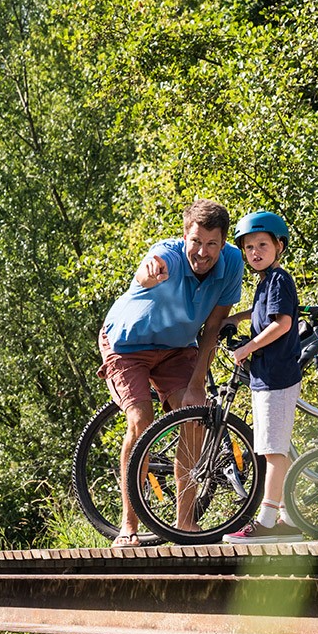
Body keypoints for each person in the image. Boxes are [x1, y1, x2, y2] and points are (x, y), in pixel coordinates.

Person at [98, 199, 245, 548]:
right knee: (141, 421)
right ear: (184, 237)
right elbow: (150, 266)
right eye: (195, 241)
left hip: (178, 348)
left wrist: (196, 385)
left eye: (212, 244)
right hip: (127, 344)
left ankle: (184, 524)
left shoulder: (232, 264)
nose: (202, 251)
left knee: (194, 417)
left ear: (223, 243)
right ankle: (128, 527)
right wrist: (146, 273)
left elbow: (211, 328)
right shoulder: (169, 255)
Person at [222, 211, 301, 543]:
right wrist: (234, 319)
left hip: (277, 377)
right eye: (249, 247)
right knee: (272, 447)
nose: (255, 252)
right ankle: (285, 520)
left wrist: (246, 348)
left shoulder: (280, 280)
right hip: (266, 377)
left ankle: (267, 521)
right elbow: (259, 314)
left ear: (279, 246)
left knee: (274, 451)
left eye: (262, 245)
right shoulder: (265, 282)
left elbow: (281, 323)